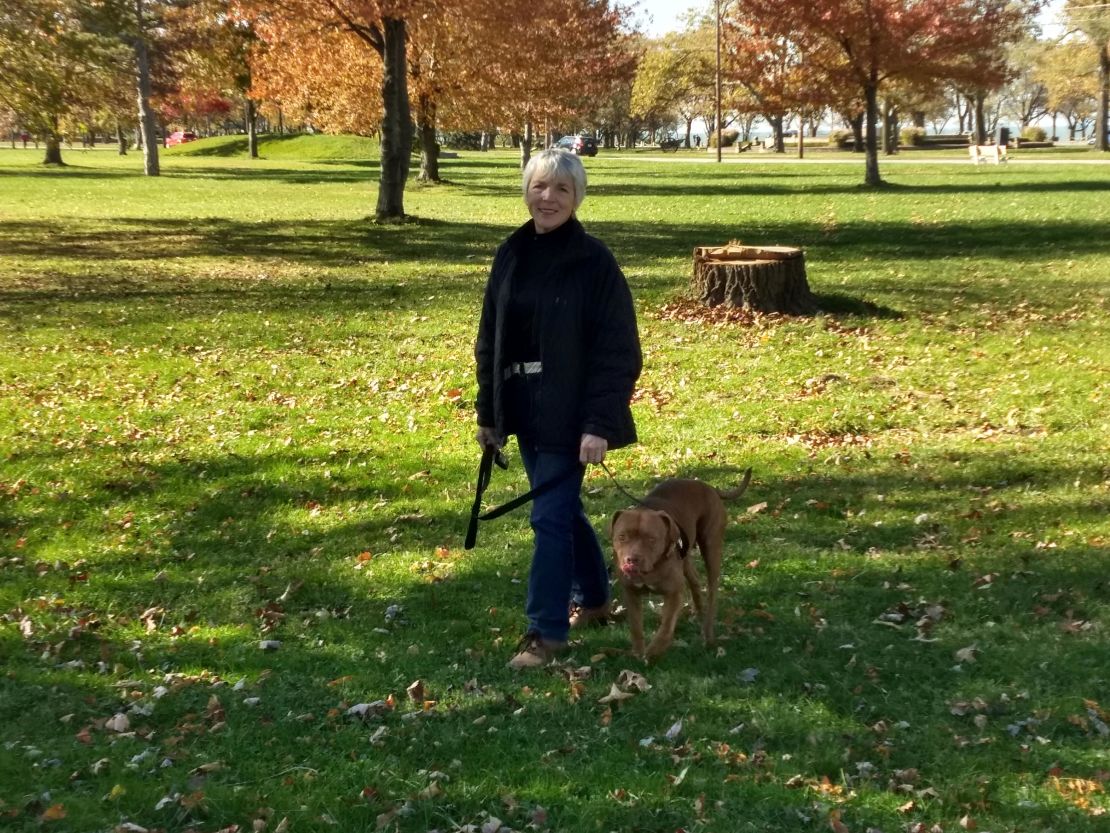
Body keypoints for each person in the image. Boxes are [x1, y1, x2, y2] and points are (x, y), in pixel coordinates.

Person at [474, 148, 642, 670]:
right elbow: (490, 338)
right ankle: (594, 600)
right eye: (539, 187)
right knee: (562, 512)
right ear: (526, 191)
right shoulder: (511, 253)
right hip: (524, 409)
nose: (547, 198)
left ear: (577, 198)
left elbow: (618, 351)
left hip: (571, 414)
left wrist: (598, 424)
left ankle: (546, 635)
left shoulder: (595, 262)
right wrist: (490, 413)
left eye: (560, 190)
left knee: (548, 519)